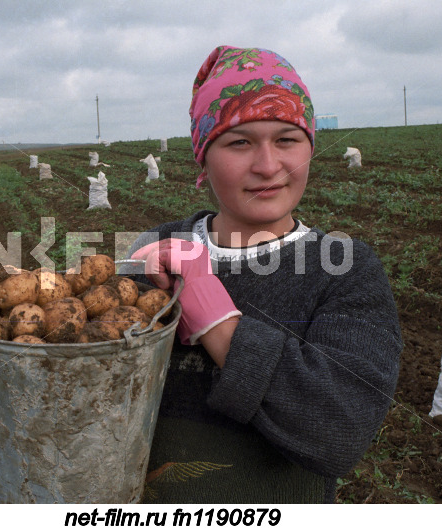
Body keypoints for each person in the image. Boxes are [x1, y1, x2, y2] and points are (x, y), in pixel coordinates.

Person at [122, 45, 402, 504]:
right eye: (240, 142)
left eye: (287, 140)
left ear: (310, 148)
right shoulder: (155, 249)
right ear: (203, 157)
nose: (268, 166)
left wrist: (216, 320)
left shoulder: (344, 267)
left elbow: (339, 431)